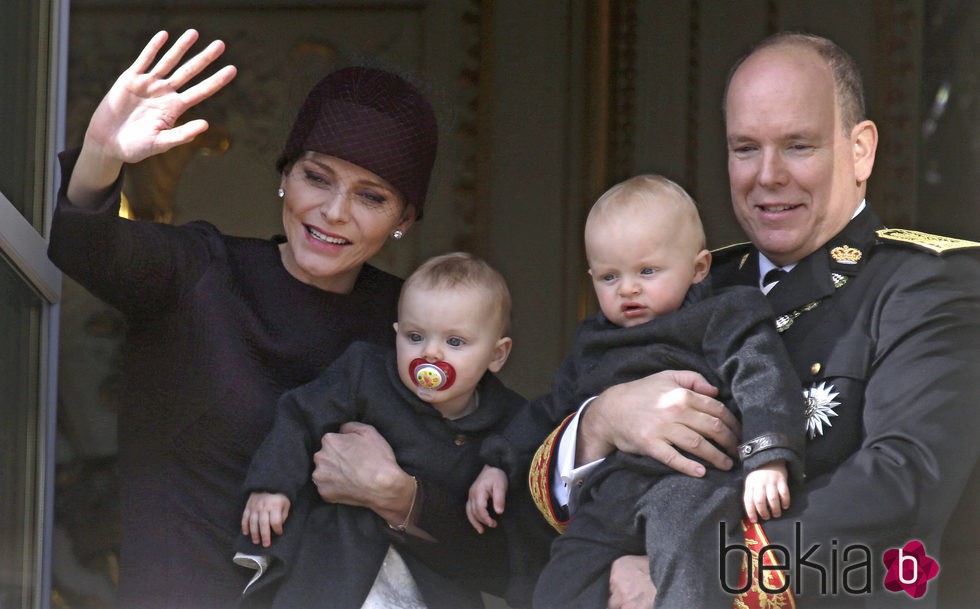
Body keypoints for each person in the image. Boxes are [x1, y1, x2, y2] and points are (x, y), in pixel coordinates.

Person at [529, 32, 980, 608]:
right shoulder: (685, 281)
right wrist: (602, 423)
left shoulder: (927, 284)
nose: (767, 175)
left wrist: (692, 573)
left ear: (861, 149)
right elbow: (519, 482)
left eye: (798, 146)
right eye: (745, 148)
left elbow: (903, 485)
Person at [46, 28, 465, 609]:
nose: (334, 212)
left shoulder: (419, 328)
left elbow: (496, 533)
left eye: (372, 197)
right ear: (285, 174)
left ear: (404, 218)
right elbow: (82, 245)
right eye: (317, 177)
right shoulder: (199, 272)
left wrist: (400, 497)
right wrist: (101, 153)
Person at [467, 175, 804, 608]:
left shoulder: (724, 313)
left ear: (698, 268)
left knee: (687, 566)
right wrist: (499, 463)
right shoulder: (594, 341)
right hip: (611, 490)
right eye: (609, 277)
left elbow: (762, 378)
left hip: (692, 482)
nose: (627, 288)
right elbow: (549, 410)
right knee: (560, 578)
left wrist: (767, 457)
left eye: (647, 271)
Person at [234, 252, 525, 609]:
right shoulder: (366, 373)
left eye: (455, 342)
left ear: (497, 355)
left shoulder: (511, 418)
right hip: (339, 565)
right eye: (416, 336)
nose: (431, 353)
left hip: (432, 587)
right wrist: (272, 485)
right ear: (397, 334)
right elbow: (301, 415)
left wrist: (499, 464)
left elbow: (532, 451)